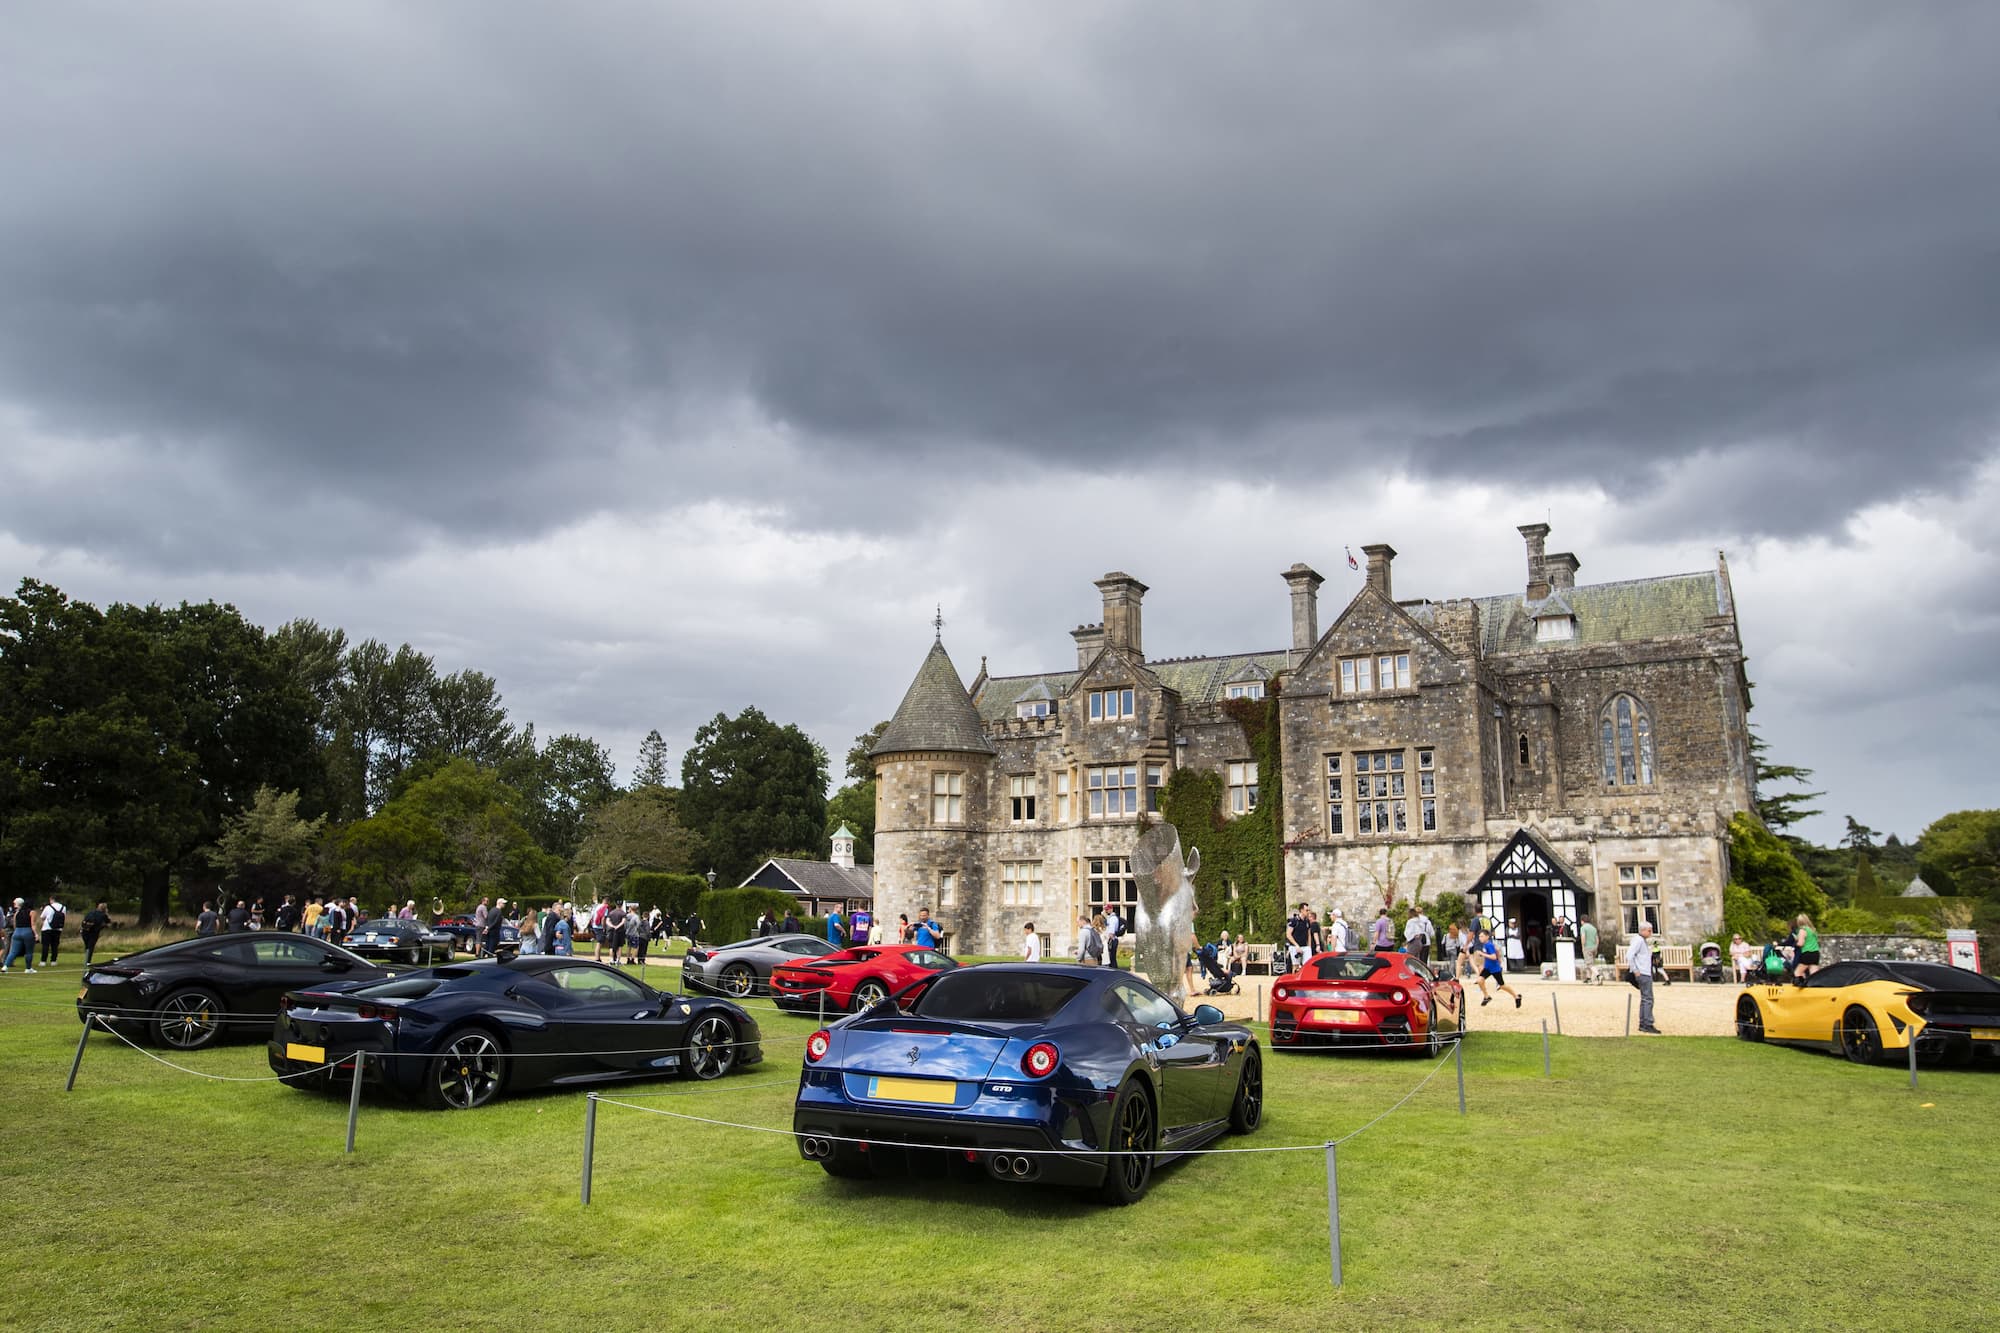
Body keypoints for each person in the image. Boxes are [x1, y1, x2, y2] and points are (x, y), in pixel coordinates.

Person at [1473, 928, 1521, 1008]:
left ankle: (1516, 996)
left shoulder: (1489, 945)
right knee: (1480, 980)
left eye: (1482, 936)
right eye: (1479, 936)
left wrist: (1482, 954)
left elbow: (1493, 956)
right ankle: (1486, 996)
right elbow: (1497, 951)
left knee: (1502, 986)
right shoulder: (1485, 945)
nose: (1480, 938)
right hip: (1488, 968)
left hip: (1494, 968)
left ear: (1487, 937)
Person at [1629, 922, 1660, 1033]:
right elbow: (1629, 955)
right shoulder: (1638, 940)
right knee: (1648, 999)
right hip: (1643, 973)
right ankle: (1647, 1023)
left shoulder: (1641, 941)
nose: (1651, 933)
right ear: (1642, 930)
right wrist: (1635, 970)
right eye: (1649, 930)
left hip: (1645, 972)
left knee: (1645, 998)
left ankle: (1643, 1023)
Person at [3, 898, 37, 973]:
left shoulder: (17, 913)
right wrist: (36, 934)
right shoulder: (32, 912)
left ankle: (5, 966)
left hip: (17, 931)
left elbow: (15, 924)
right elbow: (33, 924)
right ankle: (28, 968)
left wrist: (16, 931)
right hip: (27, 931)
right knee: (29, 951)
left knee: (13, 952)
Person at [1791, 914, 1821, 979]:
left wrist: (1795, 943)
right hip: (1816, 953)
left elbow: (1801, 943)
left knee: (1798, 972)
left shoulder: (1802, 930)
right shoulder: (1813, 930)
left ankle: (1801, 986)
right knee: (1814, 974)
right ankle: (1814, 986)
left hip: (1807, 953)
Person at [40, 891, 66, 966]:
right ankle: (53, 961)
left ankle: (43, 961)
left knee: (45, 945)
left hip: (47, 928)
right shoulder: (63, 907)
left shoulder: (48, 907)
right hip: (58, 928)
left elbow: (42, 917)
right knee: (55, 945)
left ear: (51, 899)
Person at [81, 901, 111, 965]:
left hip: (85, 931)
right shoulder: (103, 915)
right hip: (94, 932)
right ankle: (88, 961)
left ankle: (86, 959)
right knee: (91, 946)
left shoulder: (91, 912)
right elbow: (108, 922)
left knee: (87, 946)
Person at [1103, 904, 1123, 969]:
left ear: (1111, 909)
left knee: (1111, 957)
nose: (1106, 911)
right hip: (1112, 939)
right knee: (1111, 957)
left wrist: (1109, 940)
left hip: (1112, 939)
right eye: (1105, 909)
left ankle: (1114, 970)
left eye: (1107, 909)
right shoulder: (1110, 918)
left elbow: (1111, 931)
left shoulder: (1112, 919)